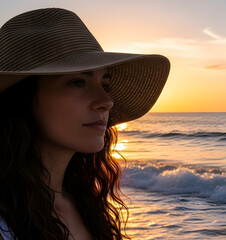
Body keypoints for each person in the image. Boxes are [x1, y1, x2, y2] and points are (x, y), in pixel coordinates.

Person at [0, 8, 170, 240]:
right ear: (22, 98)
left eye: (105, 84)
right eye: (78, 82)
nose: (106, 102)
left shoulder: (84, 203)